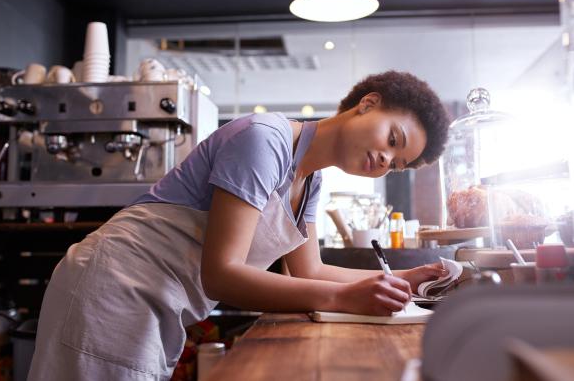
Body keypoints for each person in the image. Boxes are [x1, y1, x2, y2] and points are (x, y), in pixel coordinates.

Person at [28, 70, 451, 380]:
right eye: (393, 140)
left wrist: (406, 280)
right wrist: (346, 297)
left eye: (396, 165)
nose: (385, 161)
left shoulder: (310, 179)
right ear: (369, 104)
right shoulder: (263, 139)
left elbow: (310, 271)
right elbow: (222, 275)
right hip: (113, 286)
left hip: (158, 302)